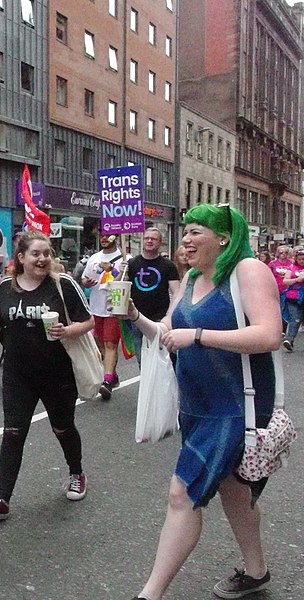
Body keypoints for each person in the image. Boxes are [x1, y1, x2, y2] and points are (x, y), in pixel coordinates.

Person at [123, 204, 281, 600]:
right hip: (195, 403)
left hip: (235, 405)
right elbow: (167, 331)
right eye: (186, 232)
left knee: (183, 493)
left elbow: (268, 335)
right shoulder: (192, 277)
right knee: (233, 490)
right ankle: (256, 570)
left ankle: (150, 593)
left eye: (196, 231)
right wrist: (133, 314)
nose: (186, 240)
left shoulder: (248, 272)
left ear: (223, 238)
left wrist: (198, 335)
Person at [0, 232, 94, 521]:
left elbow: (88, 321)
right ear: (22, 258)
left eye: (46, 254)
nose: (42, 259)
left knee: (62, 428)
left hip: (57, 373)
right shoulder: (6, 287)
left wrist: (67, 331)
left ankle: (77, 473)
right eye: (36, 254)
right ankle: (2, 500)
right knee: (13, 433)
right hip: (18, 374)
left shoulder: (62, 285)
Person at [81, 234, 128, 400]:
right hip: (95, 307)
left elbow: (127, 279)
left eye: (108, 236)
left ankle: (106, 381)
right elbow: (85, 278)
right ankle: (112, 374)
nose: (104, 238)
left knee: (110, 344)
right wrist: (86, 282)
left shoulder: (125, 258)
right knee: (99, 345)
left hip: (114, 306)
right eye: (102, 235)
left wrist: (113, 269)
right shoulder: (94, 258)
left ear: (115, 237)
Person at [126, 228, 180, 363]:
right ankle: (146, 383)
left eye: (154, 239)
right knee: (142, 360)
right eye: (146, 238)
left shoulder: (168, 266)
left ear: (160, 243)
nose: (149, 241)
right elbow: (119, 288)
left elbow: (177, 293)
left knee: (163, 360)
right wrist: (120, 273)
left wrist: (169, 315)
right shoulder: (131, 264)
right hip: (137, 318)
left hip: (159, 319)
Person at [281, 248, 304, 352]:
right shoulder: (291, 268)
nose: (302, 261)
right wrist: (296, 280)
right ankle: (289, 340)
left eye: (303, 259)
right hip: (294, 297)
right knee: (295, 319)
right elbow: (285, 281)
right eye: (300, 259)